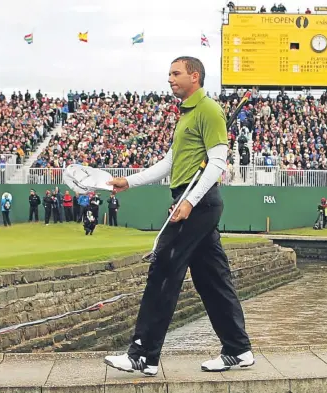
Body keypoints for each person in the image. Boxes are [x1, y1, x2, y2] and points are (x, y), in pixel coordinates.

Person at [103, 56, 253, 376]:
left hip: (196, 202)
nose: (169, 78)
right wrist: (129, 181)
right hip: (191, 200)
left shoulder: (209, 109)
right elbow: (169, 163)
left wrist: (189, 203)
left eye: (176, 73)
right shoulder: (185, 114)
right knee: (212, 280)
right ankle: (238, 350)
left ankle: (143, 354)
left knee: (163, 272)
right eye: (169, 73)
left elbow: (217, 163)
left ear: (194, 77)